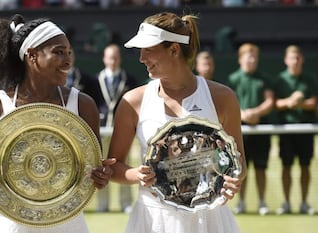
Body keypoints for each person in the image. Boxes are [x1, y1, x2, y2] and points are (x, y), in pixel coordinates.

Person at [0, 14, 115, 233]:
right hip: (10, 224)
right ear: (32, 55)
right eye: (58, 52)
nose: (68, 60)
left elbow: (94, 166)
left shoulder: (83, 105)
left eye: (69, 52)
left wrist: (101, 176)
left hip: (69, 223)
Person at [107, 12, 247, 233]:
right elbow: (113, 167)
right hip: (152, 219)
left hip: (210, 219)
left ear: (173, 50)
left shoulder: (223, 97)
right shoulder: (132, 101)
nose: (142, 58)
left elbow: (238, 163)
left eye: (148, 50)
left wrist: (231, 180)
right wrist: (138, 175)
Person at [227, 43, 275, 215]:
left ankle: (262, 202)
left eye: (254, 57)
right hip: (240, 129)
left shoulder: (264, 78)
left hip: (261, 127)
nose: (252, 60)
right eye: (248, 56)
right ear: (240, 59)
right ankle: (241, 202)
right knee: (241, 167)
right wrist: (243, 114)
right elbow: (228, 103)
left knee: (261, 166)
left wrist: (256, 112)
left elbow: (270, 101)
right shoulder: (233, 79)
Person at [92, 43, 139, 213]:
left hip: (120, 128)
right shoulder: (95, 80)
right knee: (101, 167)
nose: (113, 60)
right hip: (102, 128)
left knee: (123, 165)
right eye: (110, 57)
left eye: (116, 57)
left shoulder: (129, 79)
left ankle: (125, 203)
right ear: (104, 59)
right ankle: (102, 204)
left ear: (120, 58)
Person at [274, 45, 316, 215]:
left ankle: (305, 203)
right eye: (292, 57)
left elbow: (314, 103)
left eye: (298, 57)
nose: (295, 61)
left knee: (305, 166)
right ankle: (286, 203)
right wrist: (289, 101)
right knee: (286, 166)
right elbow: (275, 103)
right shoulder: (280, 80)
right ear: (286, 60)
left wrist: (300, 102)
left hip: (306, 130)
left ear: (302, 59)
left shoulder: (310, 79)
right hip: (287, 131)